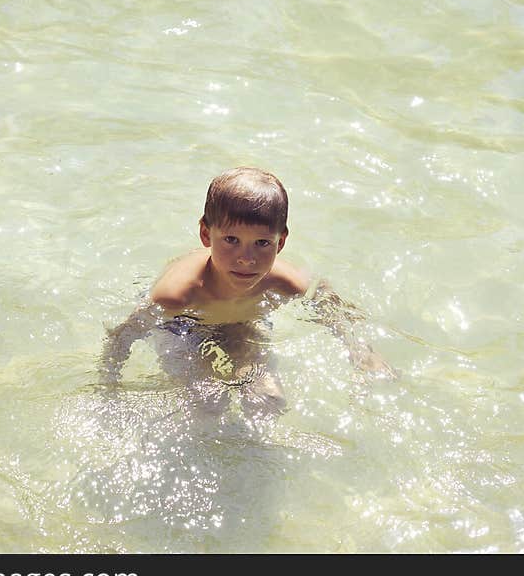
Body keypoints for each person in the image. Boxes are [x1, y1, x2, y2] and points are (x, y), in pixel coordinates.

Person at [99, 166, 394, 415]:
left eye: (262, 243)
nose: (246, 258)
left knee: (268, 402)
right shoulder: (177, 294)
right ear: (206, 234)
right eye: (230, 239)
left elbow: (325, 296)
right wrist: (109, 390)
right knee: (208, 403)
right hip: (183, 325)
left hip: (243, 321)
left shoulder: (284, 281)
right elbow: (123, 336)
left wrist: (362, 352)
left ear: (280, 242)